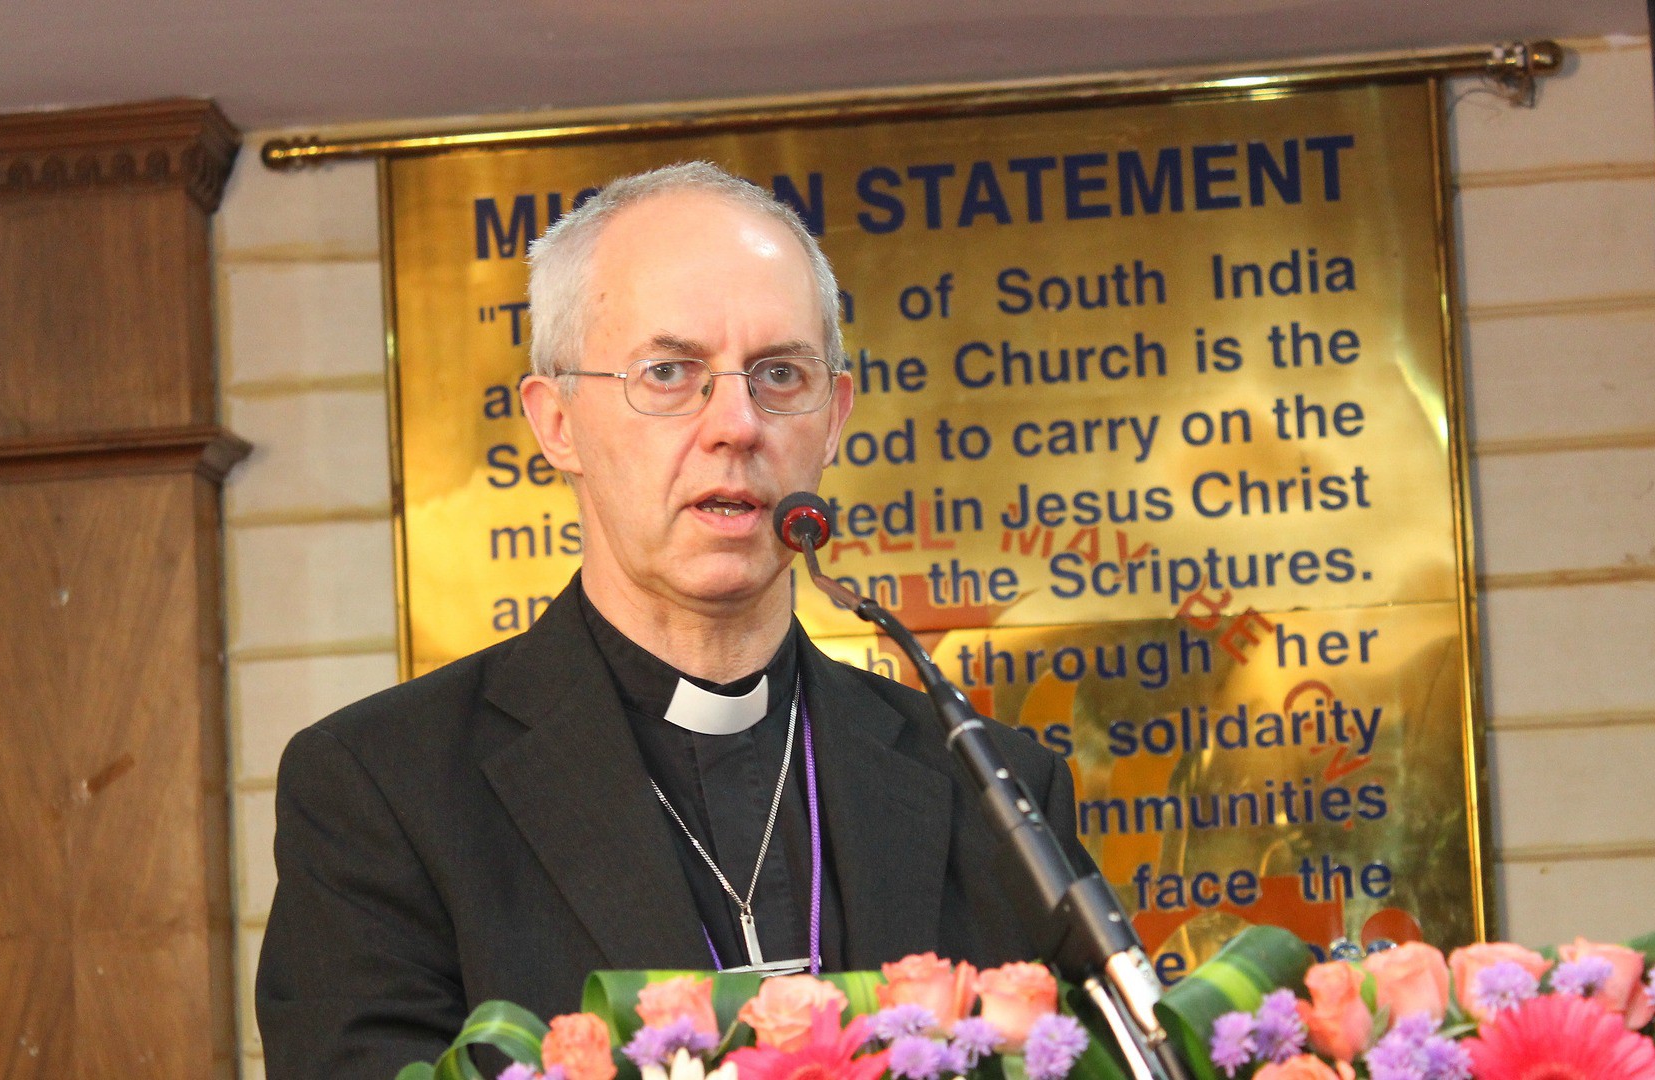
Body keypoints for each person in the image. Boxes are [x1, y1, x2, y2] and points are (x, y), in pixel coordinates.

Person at [254, 161, 1094, 1080]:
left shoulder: (999, 790)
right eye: (670, 371)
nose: (736, 422)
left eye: (779, 374)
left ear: (836, 417)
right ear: (557, 422)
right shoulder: (384, 789)